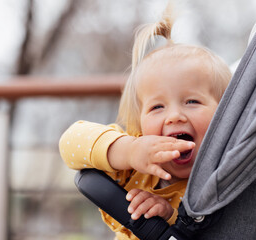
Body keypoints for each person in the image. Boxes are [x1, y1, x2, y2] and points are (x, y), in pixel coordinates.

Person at [59, 2, 231, 239]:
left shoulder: (226, 173)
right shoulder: (135, 165)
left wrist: (170, 217)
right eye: (157, 107)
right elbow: (70, 142)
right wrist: (127, 151)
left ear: (225, 114)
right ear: (139, 122)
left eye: (192, 102)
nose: (174, 117)